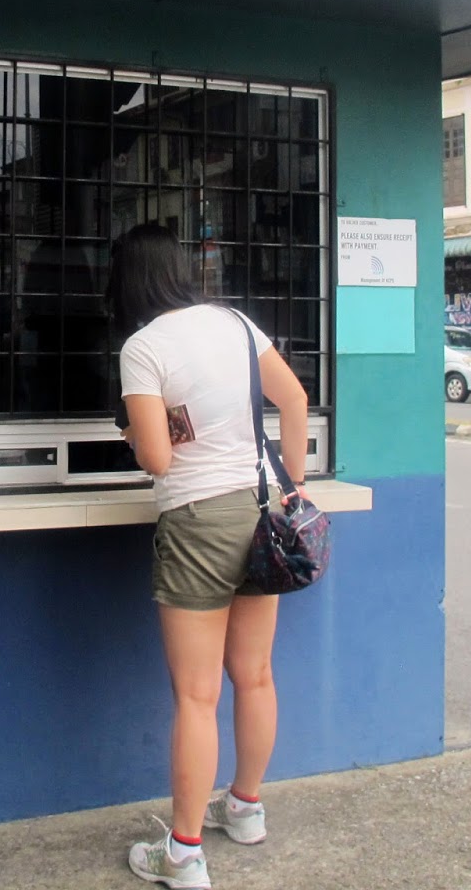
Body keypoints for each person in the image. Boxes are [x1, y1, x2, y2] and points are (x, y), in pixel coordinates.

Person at [108, 223, 310, 890]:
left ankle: (185, 856)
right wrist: (295, 486)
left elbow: (159, 461)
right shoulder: (235, 324)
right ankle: (246, 809)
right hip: (262, 510)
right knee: (254, 675)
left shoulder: (142, 348)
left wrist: (146, 437)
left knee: (197, 697)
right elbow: (294, 400)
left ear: (130, 280)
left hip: (198, 521)